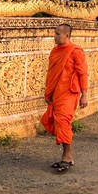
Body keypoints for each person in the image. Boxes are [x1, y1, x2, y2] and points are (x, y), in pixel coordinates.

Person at [40, 24, 89, 173]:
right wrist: (48, 93)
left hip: (70, 92)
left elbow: (83, 73)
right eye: (55, 33)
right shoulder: (55, 51)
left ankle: (67, 157)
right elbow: (51, 74)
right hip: (57, 92)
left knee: (63, 121)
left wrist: (84, 94)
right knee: (58, 122)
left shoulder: (76, 52)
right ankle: (67, 156)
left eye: (57, 34)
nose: (54, 36)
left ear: (66, 36)